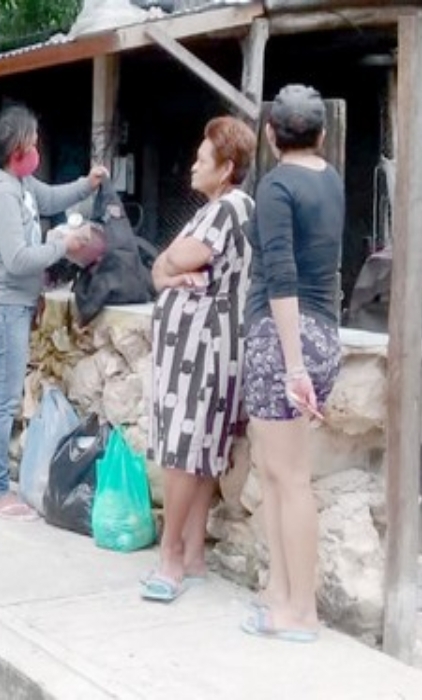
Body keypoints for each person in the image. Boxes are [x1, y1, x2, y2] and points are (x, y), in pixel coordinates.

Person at [240, 85, 344, 643]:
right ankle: (281, 598)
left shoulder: (277, 184)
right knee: (280, 476)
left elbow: (281, 276)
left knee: (289, 478)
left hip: (283, 338)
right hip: (321, 331)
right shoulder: (329, 180)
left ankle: (301, 610)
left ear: (272, 135)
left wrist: (293, 365)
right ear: (322, 134)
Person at [140, 116, 257, 603]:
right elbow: (161, 271)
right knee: (204, 448)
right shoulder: (237, 208)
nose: (192, 166)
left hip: (200, 347)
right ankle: (191, 551)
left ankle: (170, 557)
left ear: (227, 168)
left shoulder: (225, 211)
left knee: (184, 449)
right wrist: (166, 271)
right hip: (215, 344)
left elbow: (173, 260)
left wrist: (166, 267)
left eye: (202, 160)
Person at [0, 104, 107, 520]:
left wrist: (87, 184)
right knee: (5, 398)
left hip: (14, 305)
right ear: (15, 149)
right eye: (31, 143)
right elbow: (16, 259)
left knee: (2, 395)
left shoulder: (21, 183)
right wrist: (63, 246)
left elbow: (50, 198)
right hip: (1, 307)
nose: (37, 149)